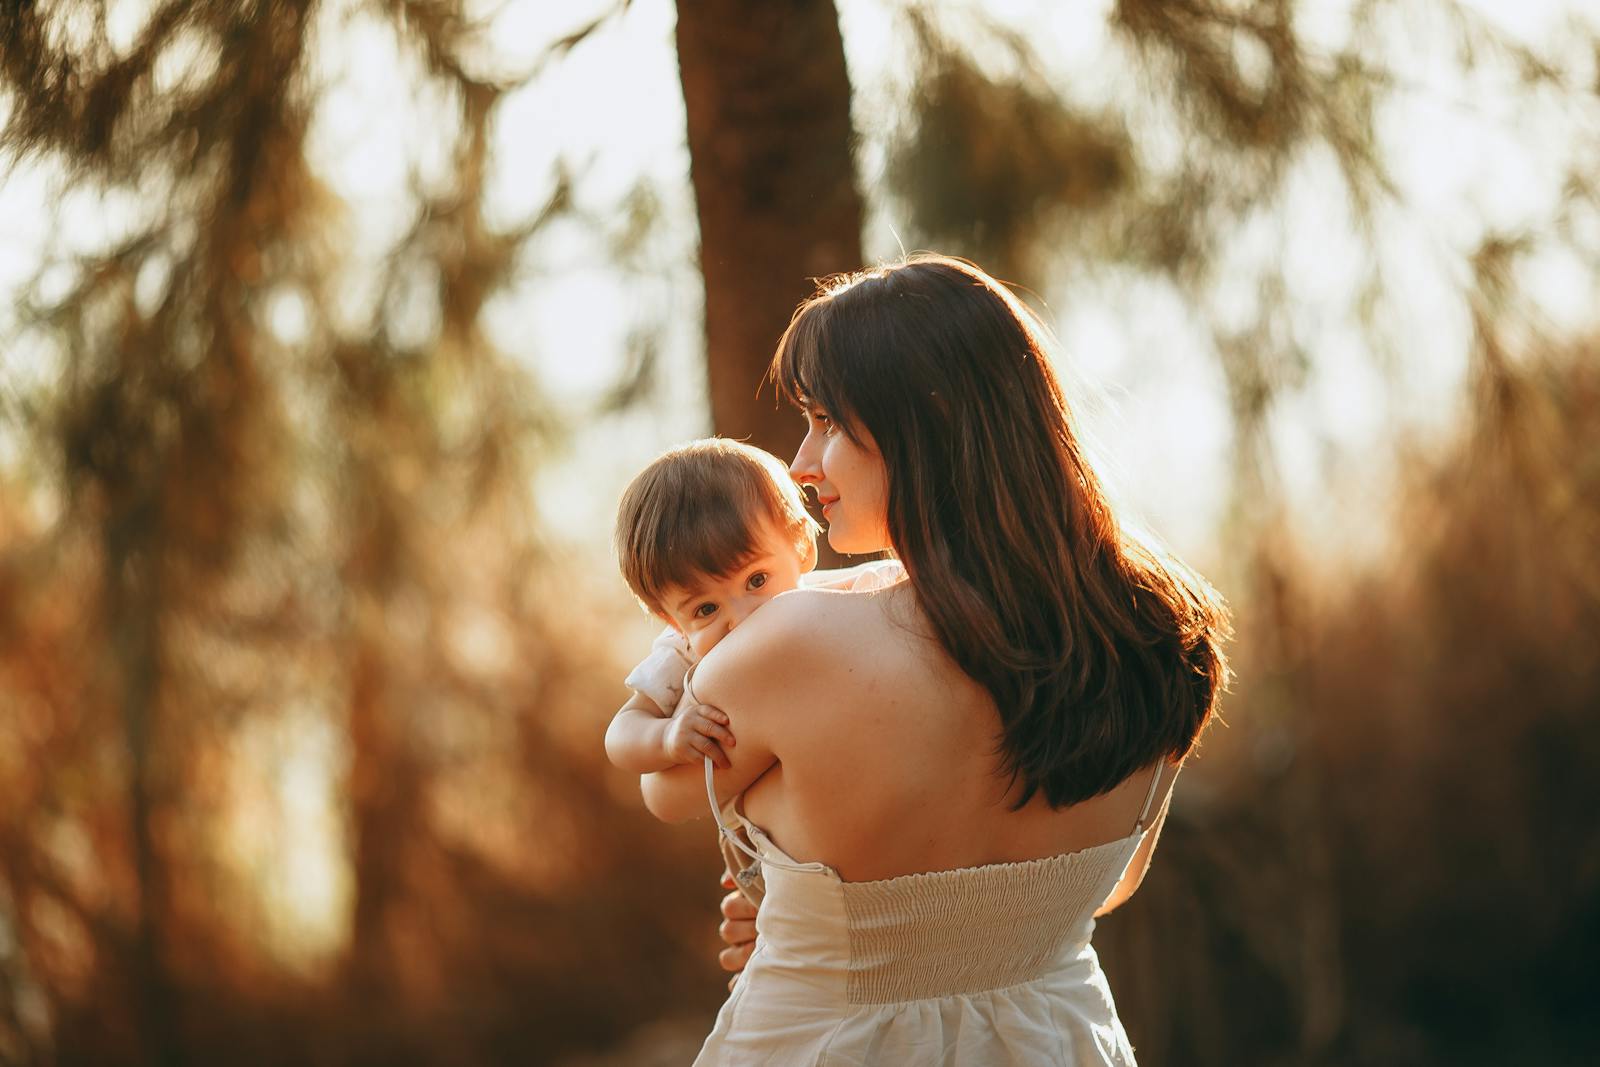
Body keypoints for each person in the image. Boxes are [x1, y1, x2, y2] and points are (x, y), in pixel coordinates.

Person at [639, 255, 1230, 1065]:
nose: (803, 464)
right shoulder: (1160, 632)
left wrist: (799, 918)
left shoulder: (787, 644)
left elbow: (672, 788)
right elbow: (1110, 885)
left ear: (927, 424)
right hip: (1055, 1040)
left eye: (830, 423)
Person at [606, 438, 903, 896]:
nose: (742, 617)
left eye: (757, 580)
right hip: (763, 860)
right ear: (672, 620)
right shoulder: (679, 653)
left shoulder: (838, 601)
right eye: (704, 609)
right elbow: (621, 733)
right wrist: (667, 737)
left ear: (801, 547)